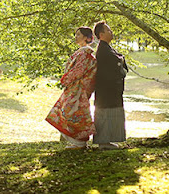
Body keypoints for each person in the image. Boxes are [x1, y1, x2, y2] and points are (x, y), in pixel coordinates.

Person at [45, 27, 97, 149]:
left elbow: (78, 71)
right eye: (75, 34)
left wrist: (65, 80)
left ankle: (80, 142)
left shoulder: (85, 53)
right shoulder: (82, 52)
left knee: (72, 112)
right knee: (70, 111)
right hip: (75, 88)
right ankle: (78, 142)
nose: (76, 36)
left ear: (85, 37)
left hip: (78, 89)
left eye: (78, 34)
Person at [92, 21, 127, 149]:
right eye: (108, 30)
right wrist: (121, 60)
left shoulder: (107, 48)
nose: (111, 32)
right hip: (106, 90)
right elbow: (117, 60)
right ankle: (103, 142)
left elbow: (119, 59)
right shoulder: (103, 49)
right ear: (101, 34)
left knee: (111, 113)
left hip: (110, 90)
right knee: (105, 113)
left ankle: (108, 141)